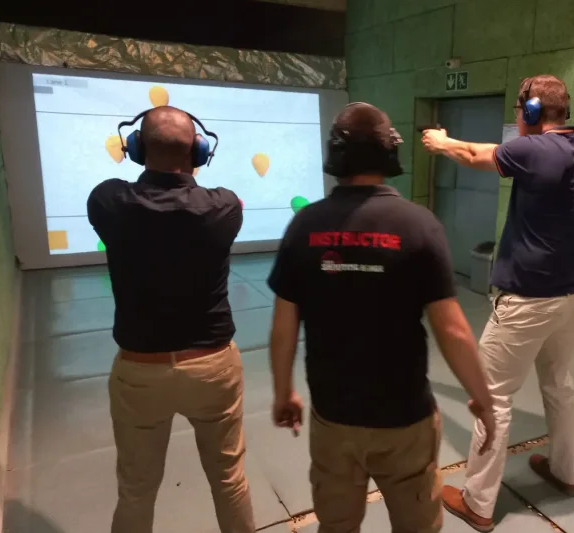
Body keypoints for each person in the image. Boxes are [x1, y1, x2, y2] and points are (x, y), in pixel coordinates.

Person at [266, 102, 496, 533]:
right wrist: (482, 396)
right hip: (404, 419)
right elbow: (451, 328)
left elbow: (284, 326)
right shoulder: (418, 224)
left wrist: (284, 392)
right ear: (390, 152)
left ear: (335, 155)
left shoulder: (304, 226)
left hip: (334, 418)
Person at [421, 74, 574, 531]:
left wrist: (441, 141)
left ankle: (478, 502)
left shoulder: (534, 150)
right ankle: (566, 472)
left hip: (528, 300)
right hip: (572, 293)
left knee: (492, 397)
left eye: (521, 112)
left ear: (534, 112)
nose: (518, 120)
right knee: (559, 384)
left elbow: (473, 153)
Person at [87, 106, 254, 533]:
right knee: (229, 481)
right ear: (198, 152)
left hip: (141, 372)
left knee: (136, 490)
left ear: (137, 149)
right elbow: (228, 200)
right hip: (213, 367)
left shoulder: (107, 200)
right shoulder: (224, 206)